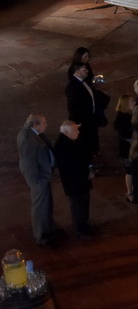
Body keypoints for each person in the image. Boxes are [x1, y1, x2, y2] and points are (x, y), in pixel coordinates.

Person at [17, 114, 60, 247]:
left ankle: (49, 228)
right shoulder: (27, 138)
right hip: (38, 179)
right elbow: (29, 163)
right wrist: (37, 181)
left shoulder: (34, 133)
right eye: (43, 123)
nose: (46, 125)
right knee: (40, 207)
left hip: (44, 176)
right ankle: (41, 236)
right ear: (35, 125)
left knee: (46, 204)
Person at [53, 120, 93, 239]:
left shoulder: (74, 140)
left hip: (81, 180)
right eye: (75, 130)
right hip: (74, 182)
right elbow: (72, 166)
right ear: (66, 132)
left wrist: (90, 168)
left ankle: (84, 225)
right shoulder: (61, 146)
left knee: (84, 204)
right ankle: (80, 229)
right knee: (78, 206)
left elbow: (86, 154)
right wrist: (87, 171)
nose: (78, 132)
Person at [65, 62, 100, 158]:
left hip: (89, 120)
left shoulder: (84, 83)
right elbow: (72, 106)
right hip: (81, 122)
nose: (87, 71)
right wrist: (77, 122)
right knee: (83, 144)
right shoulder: (73, 86)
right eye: (84, 69)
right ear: (77, 71)